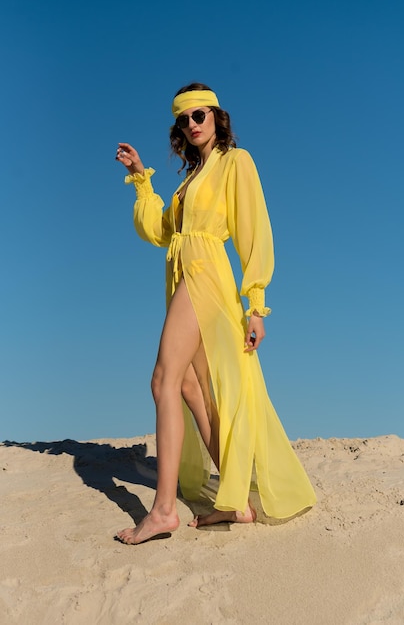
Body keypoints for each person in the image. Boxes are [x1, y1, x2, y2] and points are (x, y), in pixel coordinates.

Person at [115, 83, 316, 545]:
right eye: (184, 120)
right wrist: (143, 178)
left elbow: (253, 228)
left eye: (199, 115)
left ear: (217, 117)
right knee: (189, 386)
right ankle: (236, 500)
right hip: (183, 274)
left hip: (206, 276)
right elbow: (162, 232)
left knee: (162, 379)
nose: (192, 125)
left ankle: (164, 510)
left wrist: (257, 304)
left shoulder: (235, 162)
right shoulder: (190, 179)